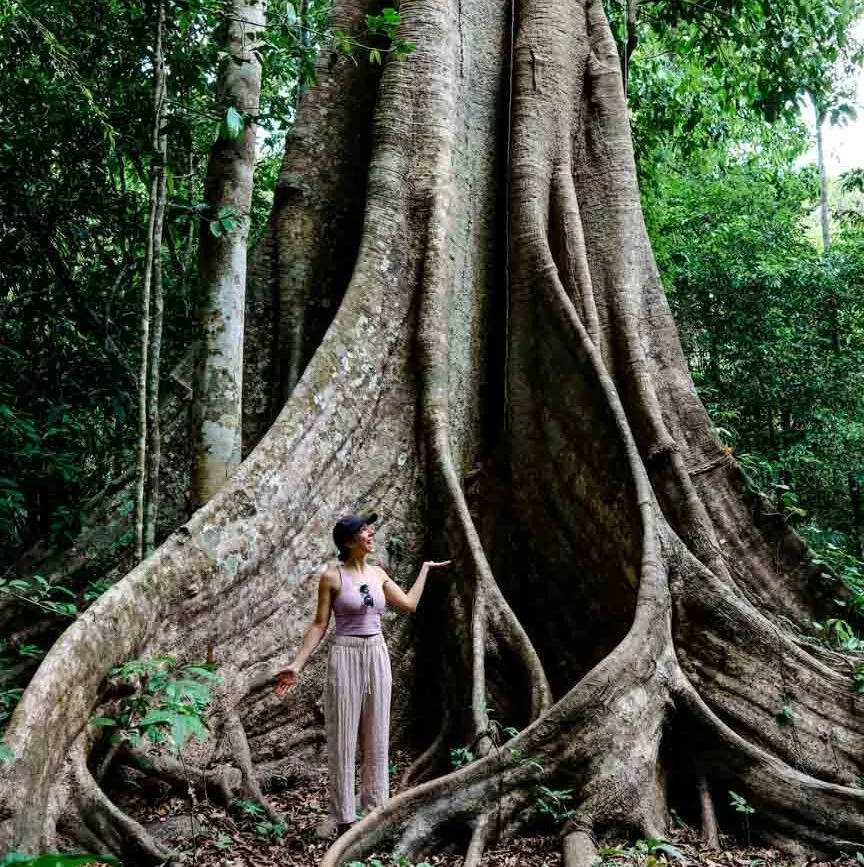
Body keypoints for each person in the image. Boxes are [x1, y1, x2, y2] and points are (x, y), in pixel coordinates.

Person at [275, 512, 450, 835]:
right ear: (347, 540)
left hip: (377, 653)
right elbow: (319, 624)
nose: (370, 532)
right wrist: (296, 664)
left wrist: (424, 570)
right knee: (343, 735)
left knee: (377, 733)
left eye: (370, 528)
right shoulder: (332, 576)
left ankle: (375, 812)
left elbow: (410, 604)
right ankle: (344, 819)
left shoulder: (379, 573)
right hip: (345, 654)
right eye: (363, 529)